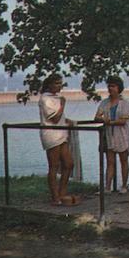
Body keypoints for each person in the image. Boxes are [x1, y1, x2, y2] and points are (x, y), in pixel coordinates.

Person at [38, 73, 78, 206]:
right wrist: (62, 105)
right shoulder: (45, 99)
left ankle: (62, 192)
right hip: (51, 134)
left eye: (60, 83)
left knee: (68, 163)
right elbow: (54, 118)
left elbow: (60, 118)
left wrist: (67, 120)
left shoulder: (57, 98)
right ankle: (55, 197)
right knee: (54, 166)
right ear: (49, 84)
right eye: (56, 83)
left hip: (62, 133)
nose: (59, 86)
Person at [94, 76, 129, 193]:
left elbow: (122, 121)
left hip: (122, 135)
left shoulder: (125, 103)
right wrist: (102, 119)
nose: (111, 88)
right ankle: (107, 188)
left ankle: (124, 186)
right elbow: (97, 117)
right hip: (109, 135)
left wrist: (109, 121)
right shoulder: (104, 103)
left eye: (113, 86)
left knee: (123, 160)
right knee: (110, 161)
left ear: (118, 88)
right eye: (109, 86)